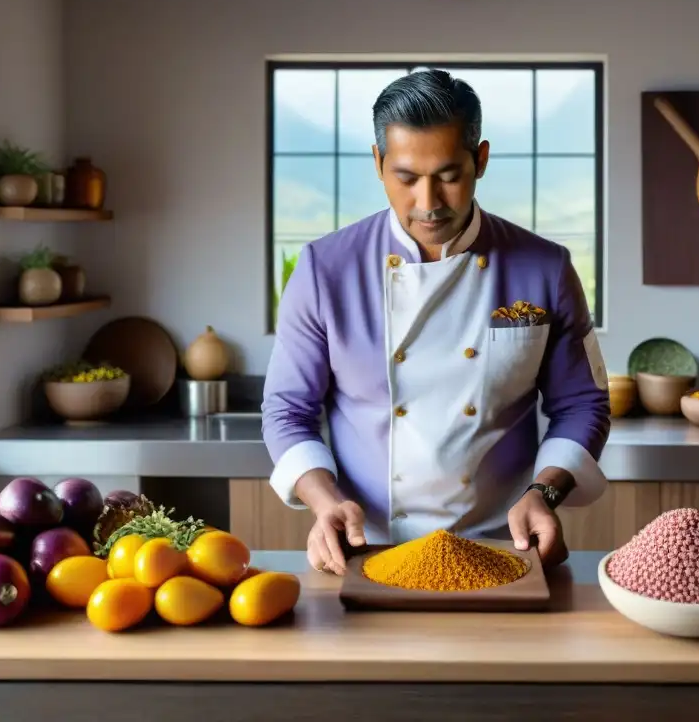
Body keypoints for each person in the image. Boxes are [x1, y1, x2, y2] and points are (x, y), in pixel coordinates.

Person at [261, 68, 612, 575]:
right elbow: (286, 410)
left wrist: (545, 492)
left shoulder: (545, 268)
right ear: (378, 163)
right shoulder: (324, 271)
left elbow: (583, 403)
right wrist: (323, 503)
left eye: (449, 176)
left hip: (504, 548)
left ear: (481, 160)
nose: (428, 204)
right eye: (405, 178)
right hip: (366, 549)